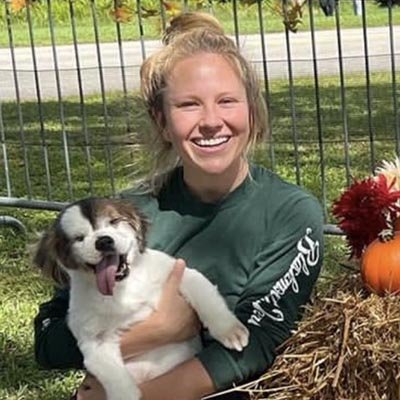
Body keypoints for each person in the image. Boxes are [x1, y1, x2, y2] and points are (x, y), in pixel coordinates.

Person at [34, 11, 324, 400]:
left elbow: (256, 343)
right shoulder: (126, 218)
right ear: (162, 121)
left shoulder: (291, 213)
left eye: (227, 101)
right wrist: (157, 330)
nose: (210, 121)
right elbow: (50, 338)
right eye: (188, 105)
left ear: (252, 110)